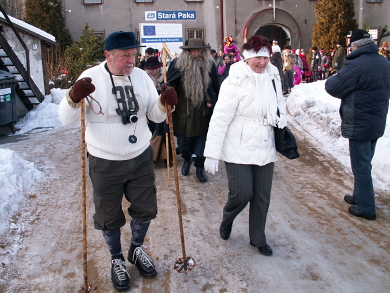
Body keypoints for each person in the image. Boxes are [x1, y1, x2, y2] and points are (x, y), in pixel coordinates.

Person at [59, 31, 178, 291]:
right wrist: (73, 97)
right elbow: (66, 120)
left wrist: (164, 104)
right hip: (105, 161)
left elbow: (155, 117)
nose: (131, 61)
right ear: (108, 55)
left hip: (140, 157)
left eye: (133, 55)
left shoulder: (141, 78)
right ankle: (116, 259)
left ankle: (136, 249)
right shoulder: (90, 76)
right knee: (108, 215)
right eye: (125, 56)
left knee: (146, 208)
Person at [203, 34, 286, 256]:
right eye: (257, 58)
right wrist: (211, 154)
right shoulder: (234, 80)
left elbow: (279, 104)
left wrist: (282, 122)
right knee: (241, 194)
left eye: (266, 58)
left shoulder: (273, 77)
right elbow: (220, 117)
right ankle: (227, 218)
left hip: (265, 143)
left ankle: (258, 238)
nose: (262, 63)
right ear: (246, 58)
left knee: (262, 196)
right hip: (237, 145)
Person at [325, 29, 390, 220]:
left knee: (360, 166)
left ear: (354, 46)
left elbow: (333, 87)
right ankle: (360, 196)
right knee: (364, 162)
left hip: (360, 121)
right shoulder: (383, 61)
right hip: (376, 120)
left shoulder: (356, 65)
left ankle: (366, 207)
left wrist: (332, 77)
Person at [166, 38, 220, 183]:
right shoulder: (177, 64)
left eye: (199, 50)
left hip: (203, 109)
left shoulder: (210, 64)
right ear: (187, 51)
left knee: (202, 142)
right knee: (183, 143)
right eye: (193, 50)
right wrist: (167, 96)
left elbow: (216, 86)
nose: (196, 53)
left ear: (204, 51)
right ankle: (186, 159)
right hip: (183, 109)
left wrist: (214, 101)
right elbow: (171, 84)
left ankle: (199, 167)